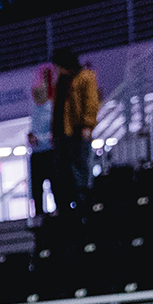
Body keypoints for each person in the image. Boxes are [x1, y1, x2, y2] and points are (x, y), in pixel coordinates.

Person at [50, 48, 100, 211]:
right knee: (62, 172)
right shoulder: (61, 82)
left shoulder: (85, 77)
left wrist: (87, 125)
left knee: (78, 168)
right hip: (62, 134)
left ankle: (82, 203)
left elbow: (91, 103)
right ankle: (66, 206)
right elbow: (57, 109)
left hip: (77, 132)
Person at [27, 71, 55, 213]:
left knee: (55, 185)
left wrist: (40, 139)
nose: (37, 96)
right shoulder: (34, 110)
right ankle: (38, 213)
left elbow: (53, 134)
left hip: (49, 153)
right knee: (36, 188)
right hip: (37, 154)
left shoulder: (51, 109)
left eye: (39, 92)